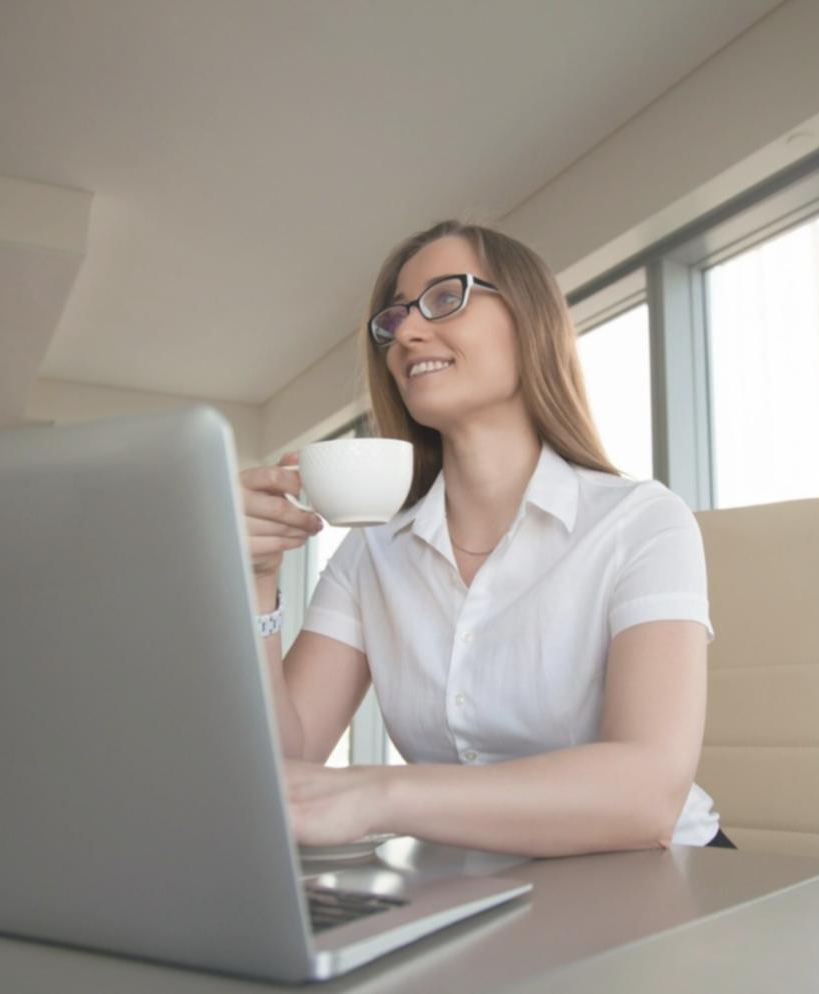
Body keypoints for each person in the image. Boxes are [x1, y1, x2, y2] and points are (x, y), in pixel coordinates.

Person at [240, 220, 732, 857]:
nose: (407, 333)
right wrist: (257, 582)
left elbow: (647, 795)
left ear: (531, 320)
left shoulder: (640, 521)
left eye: (446, 298)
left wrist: (383, 795)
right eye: (393, 321)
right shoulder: (372, 554)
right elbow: (285, 763)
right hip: (481, 891)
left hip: (661, 883)